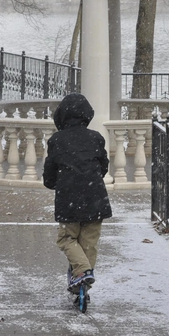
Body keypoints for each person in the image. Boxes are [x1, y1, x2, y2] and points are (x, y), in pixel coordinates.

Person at [43, 93, 112, 293]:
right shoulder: (96, 138)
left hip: (69, 199)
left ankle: (81, 272)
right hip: (95, 197)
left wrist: (55, 183)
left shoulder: (57, 140)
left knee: (66, 238)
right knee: (89, 243)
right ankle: (84, 281)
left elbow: (50, 172)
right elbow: (103, 166)